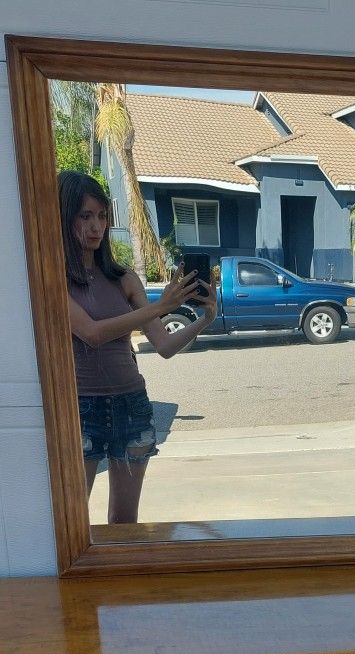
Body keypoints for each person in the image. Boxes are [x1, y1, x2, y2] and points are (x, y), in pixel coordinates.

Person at [59, 170, 218, 524]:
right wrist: (161, 306)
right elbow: (91, 333)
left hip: (131, 403)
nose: (96, 227)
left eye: (102, 216)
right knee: (73, 523)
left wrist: (204, 320)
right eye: (85, 216)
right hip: (80, 408)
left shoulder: (123, 278)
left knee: (125, 521)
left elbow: (163, 345)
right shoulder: (54, 279)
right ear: (64, 217)